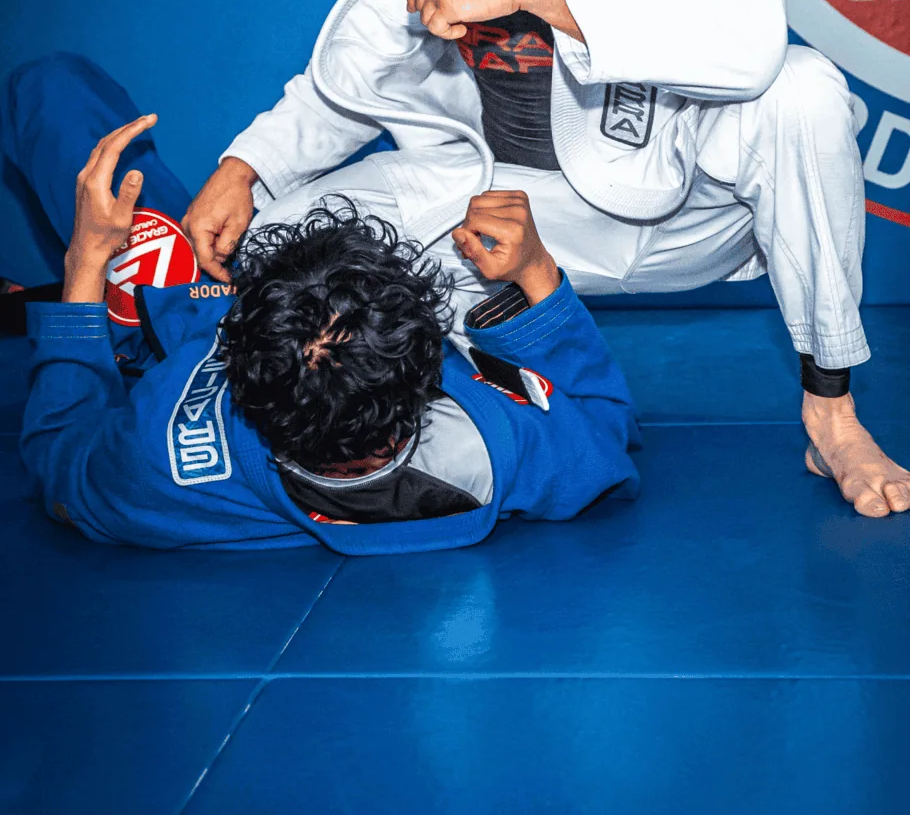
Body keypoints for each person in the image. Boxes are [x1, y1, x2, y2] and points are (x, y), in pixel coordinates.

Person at [183, 0, 910, 521]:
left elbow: (748, 37)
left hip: (686, 203)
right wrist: (246, 167)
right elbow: (358, 71)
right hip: (511, 211)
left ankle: (832, 416)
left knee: (803, 93)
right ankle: (414, 420)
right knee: (289, 234)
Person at [2, 53, 640, 552]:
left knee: (48, 86)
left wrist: (85, 264)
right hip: (202, 309)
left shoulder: (158, 464)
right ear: (425, 377)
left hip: (150, 309)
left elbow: (59, 459)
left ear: (238, 367)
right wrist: (536, 272)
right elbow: (608, 425)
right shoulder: (497, 450)